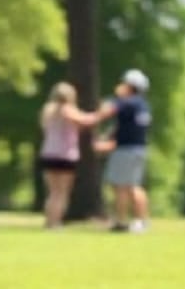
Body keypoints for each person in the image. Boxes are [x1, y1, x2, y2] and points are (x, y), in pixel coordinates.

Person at [38, 82, 103, 228]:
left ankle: (49, 220)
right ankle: (55, 222)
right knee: (61, 192)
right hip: (65, 155)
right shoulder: (67, 109)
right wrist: (101, 112)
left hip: (48, 153)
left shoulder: (47, 110)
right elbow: (86, 120)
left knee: (52, 191)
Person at [94, 68, 152, 233]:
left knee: (122, 186)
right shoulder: (142, 105)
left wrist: (111, 100)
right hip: (137, 148)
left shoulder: (128, 102)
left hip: (126, 150)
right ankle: (141, 220)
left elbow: (107, 110)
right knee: (133, 185)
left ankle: (122, 221)